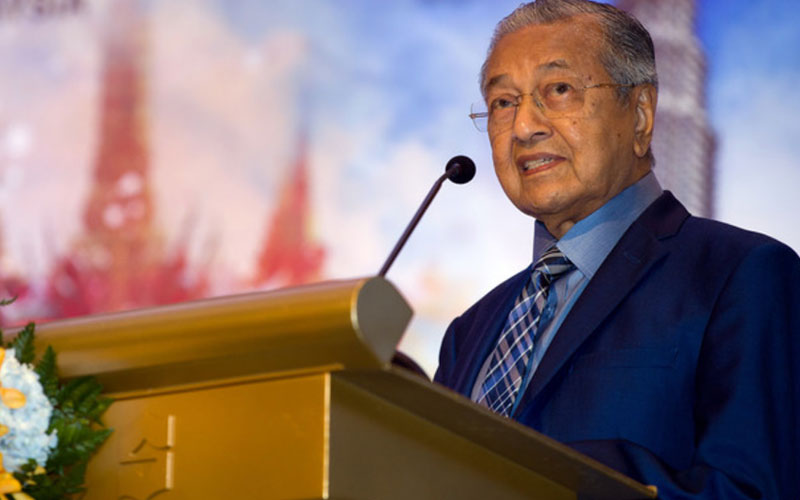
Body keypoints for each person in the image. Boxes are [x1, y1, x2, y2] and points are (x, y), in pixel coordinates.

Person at [433, 0, 800, 498]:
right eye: (503, 103)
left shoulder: (742, 275)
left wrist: (556, 475)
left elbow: (754, 489)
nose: (523, 127)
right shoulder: (470, 331)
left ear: (642, 115)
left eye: (558, 90)